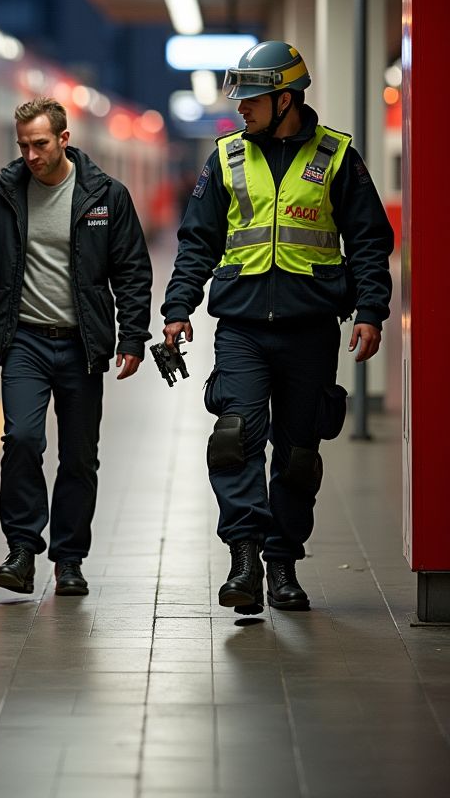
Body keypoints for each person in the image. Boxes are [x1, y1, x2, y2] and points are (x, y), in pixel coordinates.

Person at [161, 41, 394, 614]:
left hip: (311, 329)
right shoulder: (227, 158)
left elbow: (368, 241)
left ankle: (283, 563)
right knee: (234, 436)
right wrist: (177, 308)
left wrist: (371, 310)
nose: (240, 107)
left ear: (284, 99)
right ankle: (244, 558)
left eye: (251, 98)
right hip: (242, 326)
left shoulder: (337, 156)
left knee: (297, 454)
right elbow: (198, 242)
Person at [0, 96, 152, 597]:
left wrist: (133, 336)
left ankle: (69, 559)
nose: (31, 155)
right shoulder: (3, 193)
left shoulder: (105, 196)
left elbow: (133, 270)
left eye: (41, 144)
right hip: (23, 338)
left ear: (64, 139)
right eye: (23, 146)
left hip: (81, 345)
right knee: (23, 440)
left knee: (79, 457)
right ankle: (22, 550)